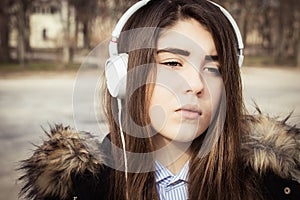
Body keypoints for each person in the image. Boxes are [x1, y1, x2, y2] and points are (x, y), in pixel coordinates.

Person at [18, 0, 300, 200]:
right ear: (126, 76)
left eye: (213, 68)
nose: (196, 85)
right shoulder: (81, 189)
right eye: (173, 63)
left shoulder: (276, 185)